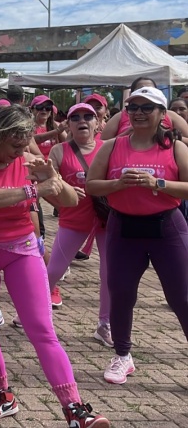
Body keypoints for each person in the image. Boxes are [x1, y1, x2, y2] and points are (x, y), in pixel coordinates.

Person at [0, 105, 110, 426]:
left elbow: (69, 200)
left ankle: (75, 409)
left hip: (21, 250)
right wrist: (33, 189)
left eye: (25, 144)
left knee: (42, 330)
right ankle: (1, 396)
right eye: (15, 145)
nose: (20, 152)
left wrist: (51, 178)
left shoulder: (26, 159)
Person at [85, 86, 188, 385]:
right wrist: (117, 184)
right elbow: (91, 185)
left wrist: (157, 183)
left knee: (181, 296)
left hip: (166, 227)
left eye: (146, 108)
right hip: (123, 227)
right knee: (120, 293)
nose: (139, 113)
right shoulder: (112, 146)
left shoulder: (175, 147)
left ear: (162, 113)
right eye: (133, 108)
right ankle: (122, 355)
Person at [45, 103, 111, 345]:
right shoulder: (59, 151)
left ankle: (105, 324)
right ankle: (30, 311)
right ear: (68, 125)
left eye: (88, 116)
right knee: (54, 270)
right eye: (75, 118)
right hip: (73, 219)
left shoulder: (108, 148)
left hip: (106, 219)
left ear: (97, 123)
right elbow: (47, 184)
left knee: (109, 274)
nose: (82, 121)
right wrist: (63, 200)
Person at [103, 76, 188, 140]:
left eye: (148, 108)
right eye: (141, 89)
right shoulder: (119, 117)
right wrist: (126, 135)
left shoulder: (171, 116)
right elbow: (101, 144)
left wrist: (170, 137)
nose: (139, 113)